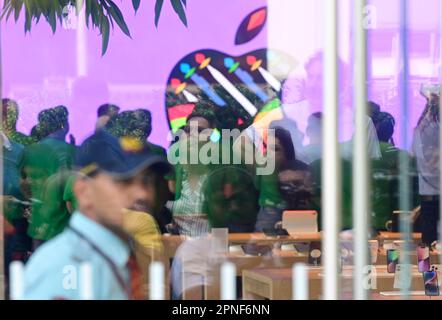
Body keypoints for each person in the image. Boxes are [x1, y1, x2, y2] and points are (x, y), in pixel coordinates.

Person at [23, 130, 169, 299]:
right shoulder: (63, 264)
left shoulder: (116, 251)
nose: (142, 194)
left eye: (146, 181)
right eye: (123, 181)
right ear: (84, 191)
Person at [20, 106, 76, 249]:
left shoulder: (29, 151)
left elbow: (22, 183)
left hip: (39, 224)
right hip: (66, 227)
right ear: (64, 125)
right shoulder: (73, 151)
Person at [412, 91, 440, 245]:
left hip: (428, 196)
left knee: (427, 244)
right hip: (430, 196)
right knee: (428, 244)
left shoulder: (423, 130)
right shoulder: (430, 129)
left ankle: (426, 268)